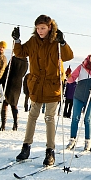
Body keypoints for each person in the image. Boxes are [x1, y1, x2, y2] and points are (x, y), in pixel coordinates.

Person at [12, 16, 74, 165]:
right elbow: (20, 53)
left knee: (49, 118)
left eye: (43, 28)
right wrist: (17, 40)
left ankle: (50, 151)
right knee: (32, 116)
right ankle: (26, 147)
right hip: (36, 85)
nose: (40, 31)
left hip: (52, 87)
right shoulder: (33, 41)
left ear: (50, 27)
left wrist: (63, 42)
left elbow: (68, 56)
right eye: (38, 28)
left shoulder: (56, 42)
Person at [65, 51, 91, 152]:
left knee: (87, 119)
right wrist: (68, 75)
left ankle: (87, 142)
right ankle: (72, 140)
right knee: (75, 118)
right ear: (89, 57)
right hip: (78, 96)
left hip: (90, 97)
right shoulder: (81, 66)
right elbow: (71, 79)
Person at [0, 54, 28, 131]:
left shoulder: (14, 59)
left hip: (9, 82)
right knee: (14, 104)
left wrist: (1, 81)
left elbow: (8, 71)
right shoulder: (26, 62)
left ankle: (3, 124)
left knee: (5, 102)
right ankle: (15, 124)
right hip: (18, 83)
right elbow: (24, 73)